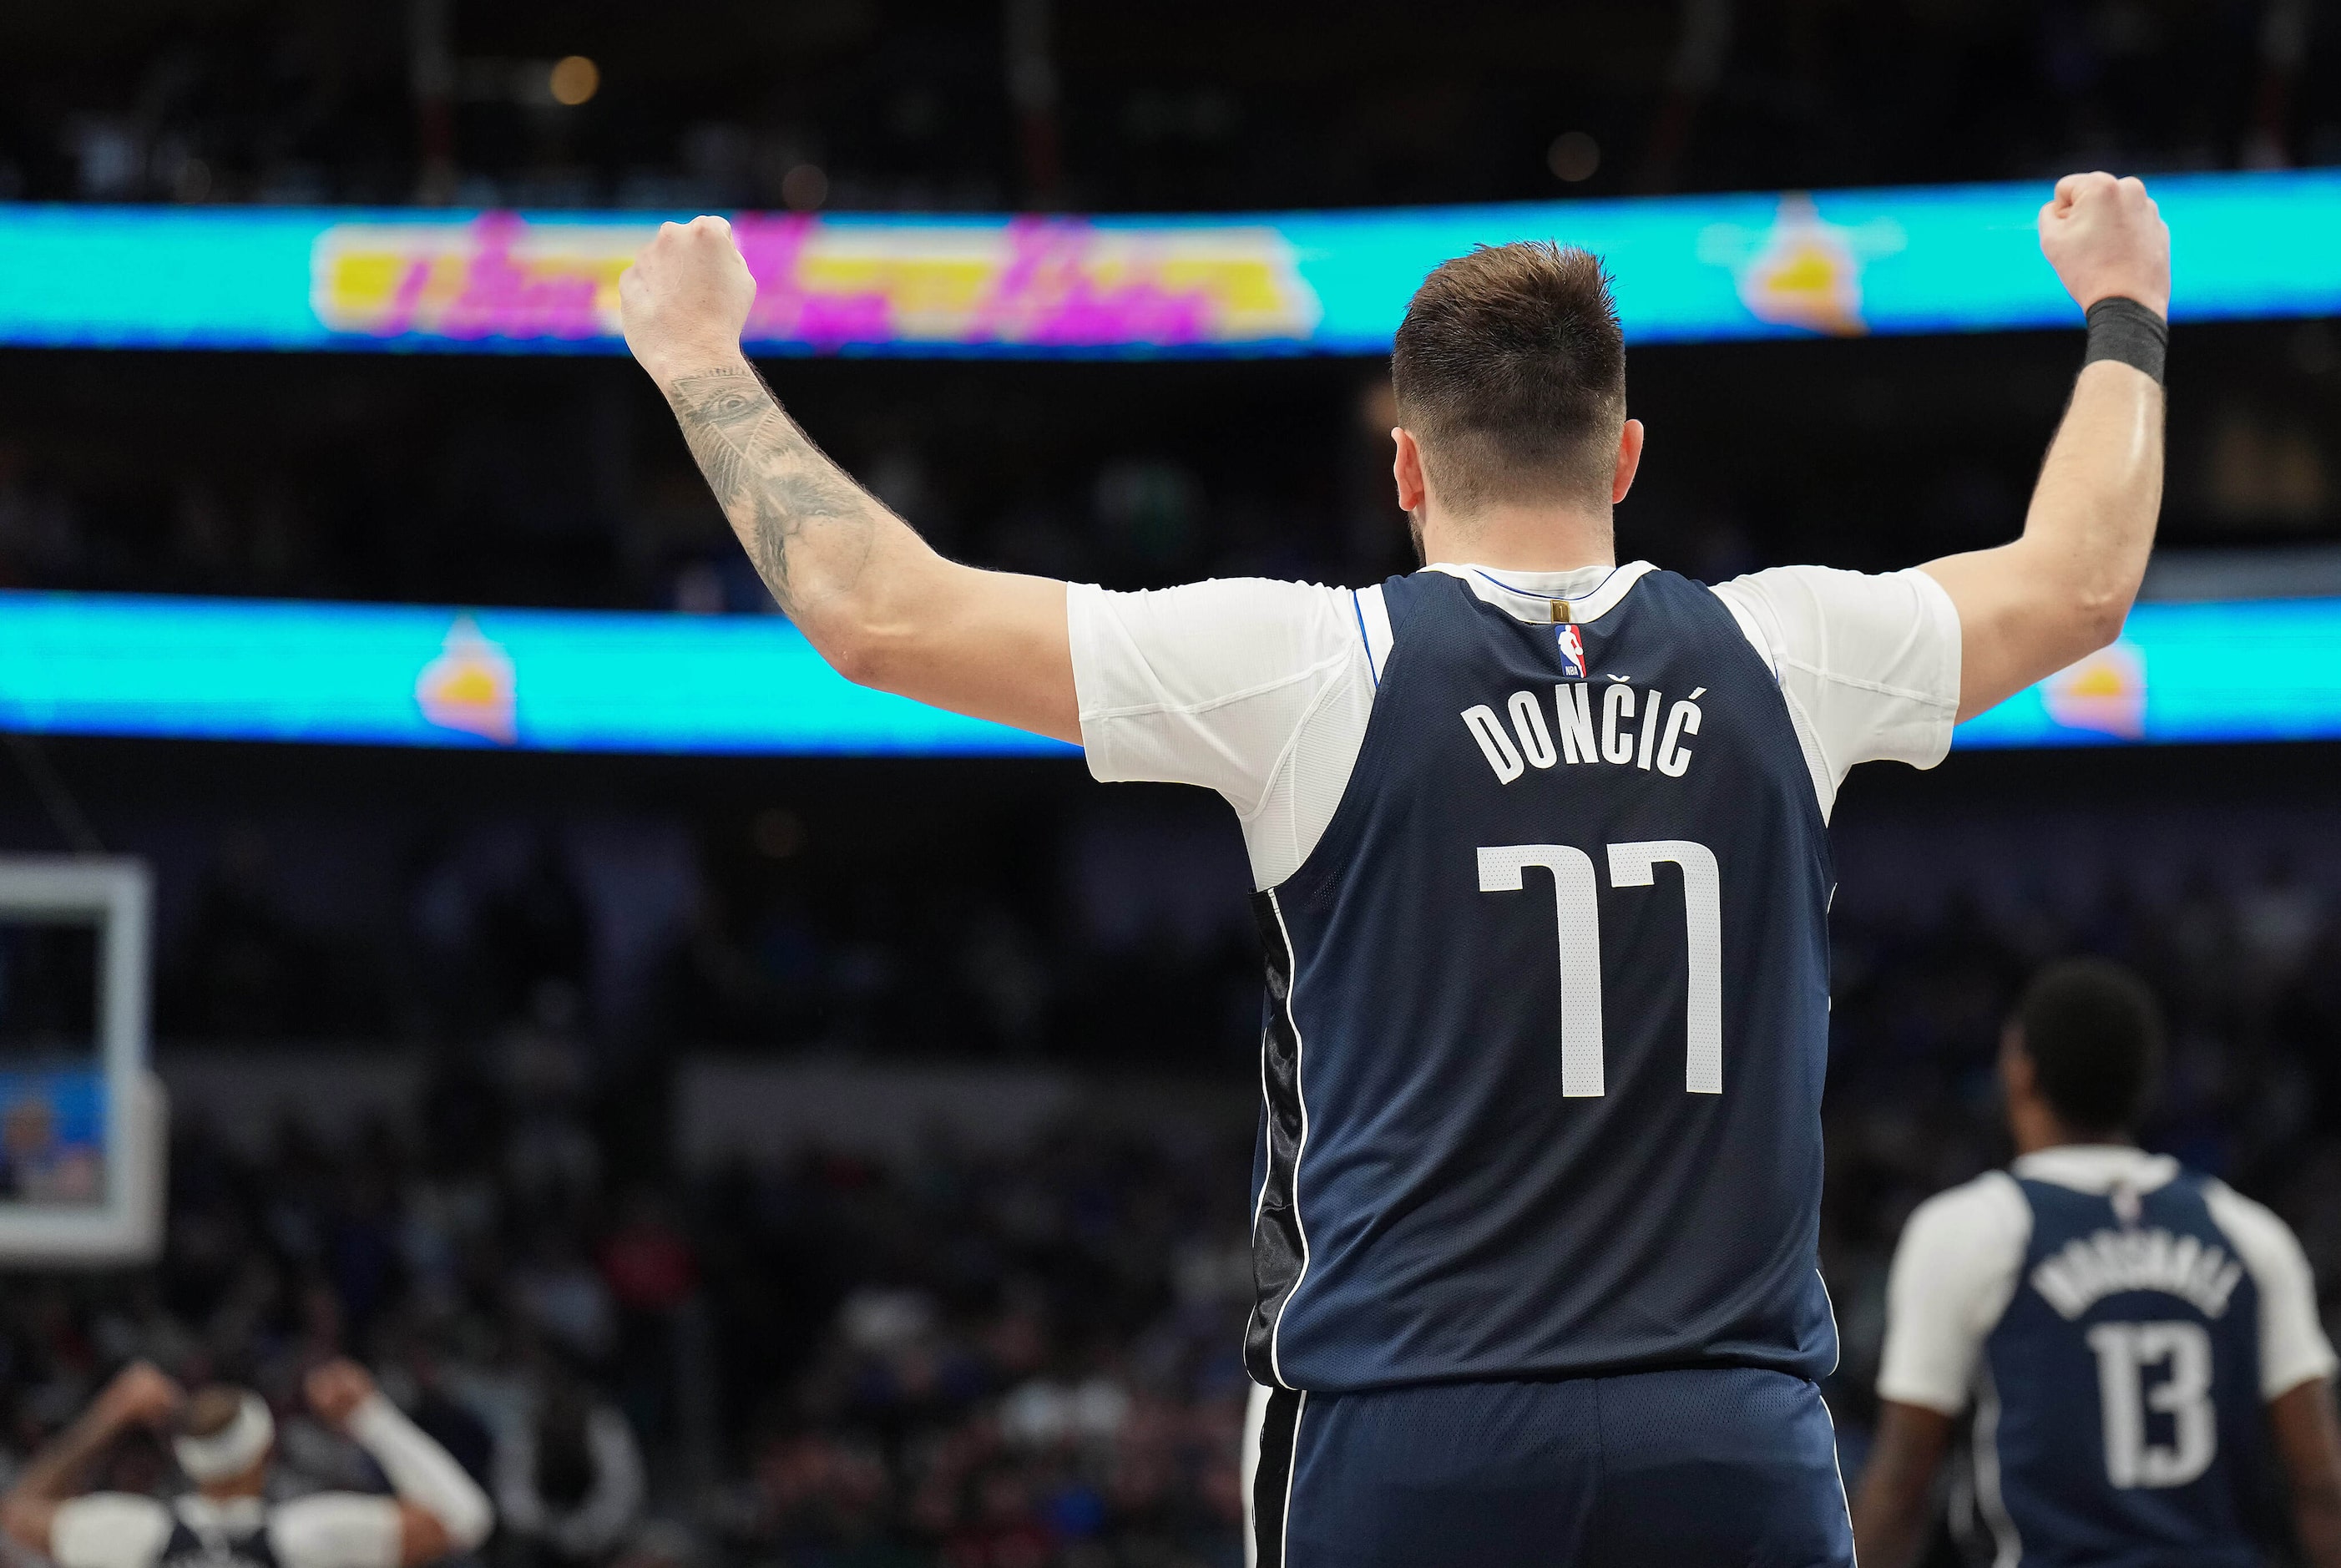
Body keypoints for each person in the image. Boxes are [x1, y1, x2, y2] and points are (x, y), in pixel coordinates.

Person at [619, 171, 2170, 1565]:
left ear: (1407, 470)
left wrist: (696, 357)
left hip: (1408, 1426)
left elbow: (878, 614)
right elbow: (2079, 582)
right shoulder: (1786, 650)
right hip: (1730, 1428)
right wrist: (2124, 308)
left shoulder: (1310, 662)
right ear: (1623, 451)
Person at [1852, 959, 2341, 1567]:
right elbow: (2320, 1484)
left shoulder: (1971, 1228)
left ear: (2019, 1069)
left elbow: (1903, 1488)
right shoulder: (2248, 1232)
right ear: (2147, 1081)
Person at [1, 1358, 495, 1568]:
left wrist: (109, 1414)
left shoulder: (125, 1533)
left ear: (185, 1459)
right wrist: (370, 1415)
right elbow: (465, 1518)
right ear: (265, 1450)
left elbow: (15, 1513)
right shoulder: (312, 1538)